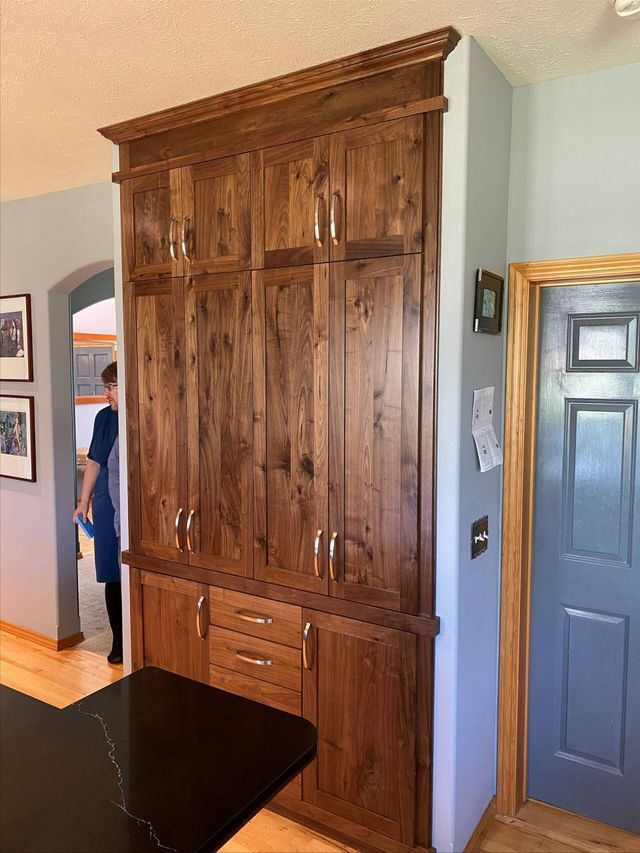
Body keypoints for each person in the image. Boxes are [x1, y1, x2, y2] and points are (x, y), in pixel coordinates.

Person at [73, 361, 122, 664]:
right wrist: (84, 501)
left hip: (129, 502)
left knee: (130, 569)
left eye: (110, 387)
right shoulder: (103, 418)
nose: (106, 393)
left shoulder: (138, 415)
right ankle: (119, 641)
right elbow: (93, 461)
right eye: (105, 387)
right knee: (110, 572)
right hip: (105, 503)